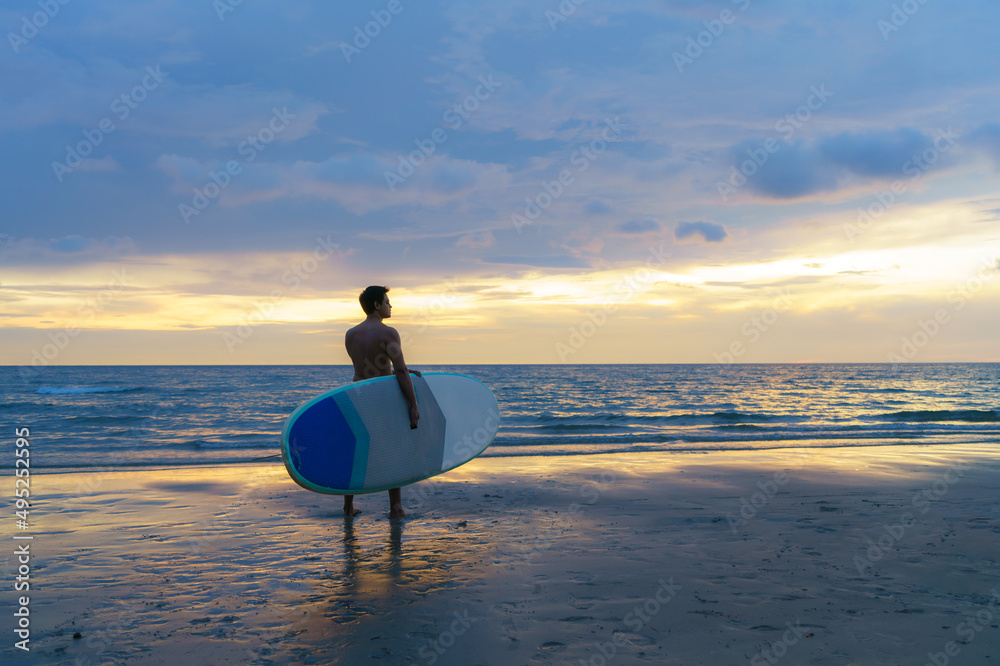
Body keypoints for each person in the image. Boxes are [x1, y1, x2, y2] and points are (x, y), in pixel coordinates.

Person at [343, 285, 421, 519]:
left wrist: (402, 369)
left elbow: (366, 367)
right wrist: (413, 405)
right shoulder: (389, 333)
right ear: (377, 305)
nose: (390, 305)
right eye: (387, 301)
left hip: (358, 397)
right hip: (383, 400)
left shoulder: (351, 334)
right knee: (391, 450)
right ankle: (396, 507)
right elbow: (399, 371)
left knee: (357, 450)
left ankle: (348, 507)